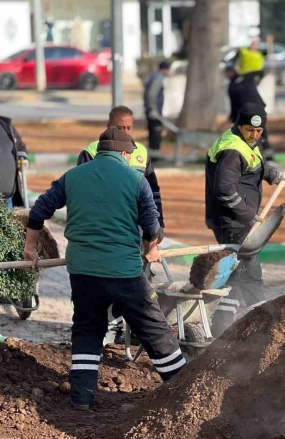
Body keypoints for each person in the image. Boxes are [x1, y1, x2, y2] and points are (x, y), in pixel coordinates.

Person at [24, 127, 187, 410]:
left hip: (83, 271)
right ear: (125, 153)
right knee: (154, 329)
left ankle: (82, 398)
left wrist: (30, 248)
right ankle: (184, 388)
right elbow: (152, 226)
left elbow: (39, 210)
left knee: (88, 328)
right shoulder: (136, 180)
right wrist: (151, 248)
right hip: (124, 271)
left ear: (99, 151)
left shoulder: (73, 176)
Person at [78, 105, 165, 345]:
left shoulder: (142, 153)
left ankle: (137, 328)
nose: (126, 132)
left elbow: (153, 193)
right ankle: (110, 327)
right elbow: (84, 194)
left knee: (141, 279)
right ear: (108, 126)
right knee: (109, 280)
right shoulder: (91, 152)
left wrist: (158, 227)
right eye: (120, 128)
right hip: (109, 231)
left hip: (138, 231)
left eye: (129, 128)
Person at [205, 103, 285, 336]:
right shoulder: (231, 149)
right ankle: (266, 328)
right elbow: (224, 190)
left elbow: (254, 164)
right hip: (231, 222)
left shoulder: (245, 143)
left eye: (259, 131)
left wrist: (274, 174)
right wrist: (248, 215)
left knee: (236, 276)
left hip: (240, 220)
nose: (254, 135)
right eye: (249, 130)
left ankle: (220, 327)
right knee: (250, 274)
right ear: (239, 126)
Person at [225, 67, 273, 157]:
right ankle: (266, 151)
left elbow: (234, 104)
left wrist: (232, 117)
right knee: (261, 129)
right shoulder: (248, 76)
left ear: (229, 75)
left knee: (246, 131)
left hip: (248, 111)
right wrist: (257, 83)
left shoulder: (232, 86)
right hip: (259, 107)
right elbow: (261, 71)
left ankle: (249, 151)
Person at [143, 60, 170, 153]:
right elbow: (152, 94)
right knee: (156, 131)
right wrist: (153, 109)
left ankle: (152, 153)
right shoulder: (158, 78)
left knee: (152, 131)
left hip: (150, 109)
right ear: (165, 69)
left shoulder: (152, 76)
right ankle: (155, 153)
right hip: (154, 111)